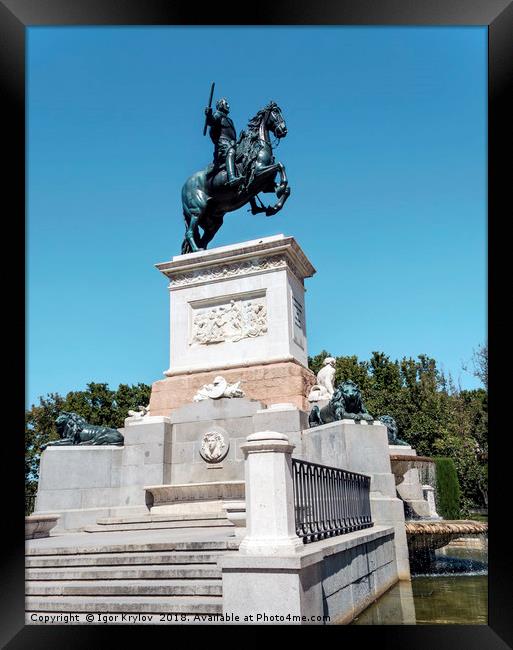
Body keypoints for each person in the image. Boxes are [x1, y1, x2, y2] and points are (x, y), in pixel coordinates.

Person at [205, 97, 243, 187]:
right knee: (231, 151)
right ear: (221, 105)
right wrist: (208, 115)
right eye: (226, 104)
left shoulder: (230, 120)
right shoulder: (218, 115)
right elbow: (211, 121)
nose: (228, 106)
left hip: (232, 144)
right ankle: (232, 178)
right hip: (223, 146)